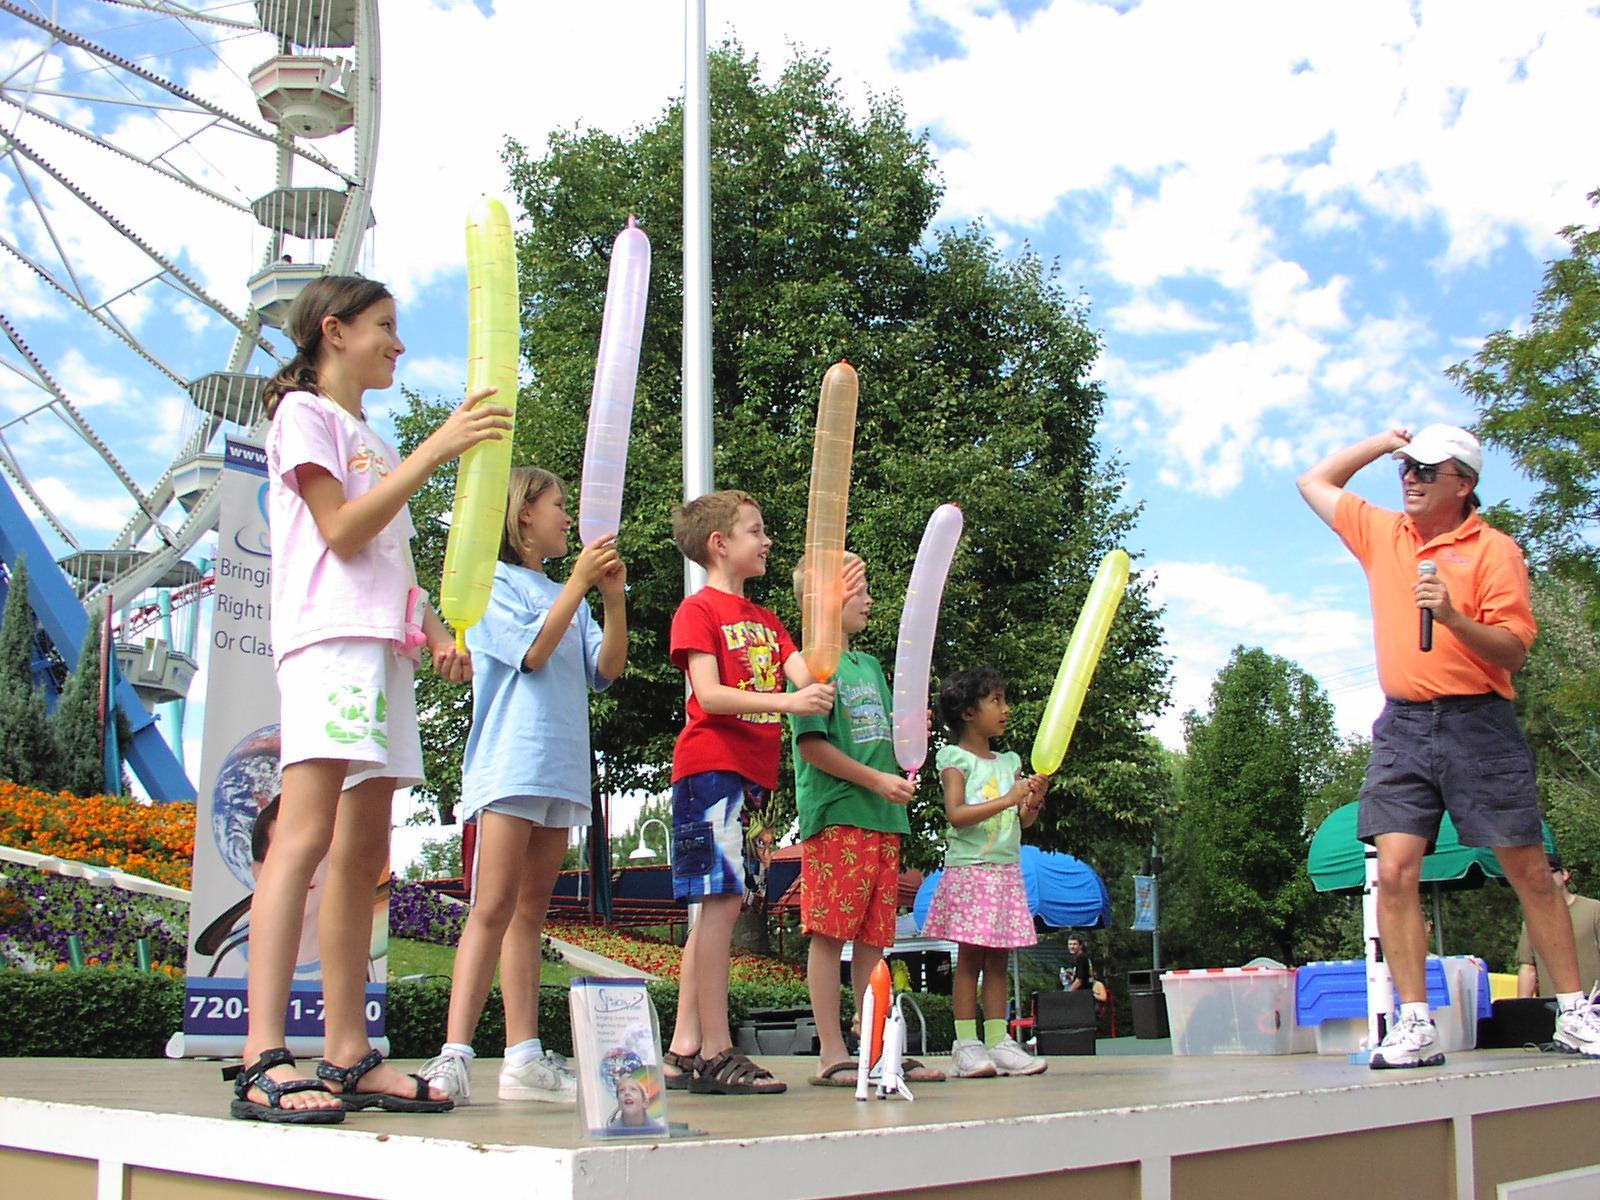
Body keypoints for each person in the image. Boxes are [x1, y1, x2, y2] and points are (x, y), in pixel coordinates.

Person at [228, 276, 513, 1123]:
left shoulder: (373, 442)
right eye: (385, 328)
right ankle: (262, 1056)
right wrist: (440, 448)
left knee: (362, 857)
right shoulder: (303, 418)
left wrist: (435, 631)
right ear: (334, 330)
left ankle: (349, 1053)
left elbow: (389, 559)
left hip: (381, 653)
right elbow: (341, 531)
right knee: (306, 836)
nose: (397, 343)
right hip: (330, 646)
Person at [1297, 423, 1600, 1066]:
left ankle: (1575, 1013)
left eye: (1426, 470)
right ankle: (1415, 1023)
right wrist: (1382, 442)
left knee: (1528, 870)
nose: (1410, 478)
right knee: (1394, 871)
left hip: (1479, 722)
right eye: (1405, 468)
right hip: (1403, 724)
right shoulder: (1383, 532)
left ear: (1463, 484)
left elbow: (1514, 647)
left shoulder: (1494, 551)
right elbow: (1314, 482)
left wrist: (1455, 616)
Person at [418, 467, 628, 1105]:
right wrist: (580, 583)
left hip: (561, 768)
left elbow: (607, 669)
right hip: (510, 762)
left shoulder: (573, 593)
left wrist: (612, 597)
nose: (569, 517)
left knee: (531, 915)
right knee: (492, 906)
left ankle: (523, 1056)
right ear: (523, 514)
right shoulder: (492, 585)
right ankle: (454, 1054)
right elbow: (533, 653)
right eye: (558, 505)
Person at [660, 489, 838, 1096]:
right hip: (710, 769)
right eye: (755, 531)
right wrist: (789, 702)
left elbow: (812, 671)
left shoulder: (767, 621)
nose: (766, 542)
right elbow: (708, 696)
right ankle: (715, 1048)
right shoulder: (698, 611)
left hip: (752, 783)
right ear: (720, 544)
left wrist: (829, 607)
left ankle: (684, 1046)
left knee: (723, 906)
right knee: (718, 906)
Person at [788, 552, 945, 1088]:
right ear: (828, 599)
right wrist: (877, 781)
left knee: (876, 940)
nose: (870, 599)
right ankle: (832, 1051)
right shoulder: (810, 664)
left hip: (884, 818)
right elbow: (812, 745)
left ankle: (876, 1048)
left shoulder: (871, 667)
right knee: (830, 934)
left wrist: (910, 733)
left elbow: (885, 735)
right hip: (839, 817)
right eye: (859, 590)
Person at [920, 667, 1049, 1078]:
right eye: (995, 700)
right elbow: (957, 815)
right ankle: (966, 1043)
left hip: (1005, 872)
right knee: (970, 959)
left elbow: (1023, 823)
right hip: (972, 872)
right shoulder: (954, 759)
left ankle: (999, 1041)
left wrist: (1031, 802)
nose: (1005, 709)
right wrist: (1010, 797)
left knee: (998, 960)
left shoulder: (1009, 761)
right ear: (969, 713)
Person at [1517, 855, 1600, 999]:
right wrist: (1520, 1012)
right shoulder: (1533, 919)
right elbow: (1528, 967)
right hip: (1552, 1007)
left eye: (1549, 872)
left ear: (1565, 874)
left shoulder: (1594, 909)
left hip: (1593, 1005)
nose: (1544, 878)